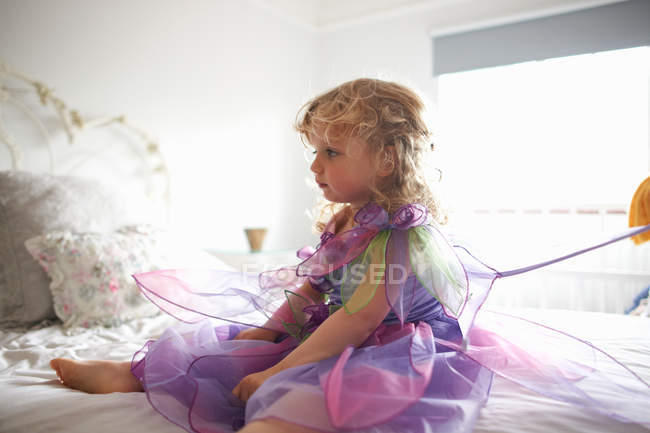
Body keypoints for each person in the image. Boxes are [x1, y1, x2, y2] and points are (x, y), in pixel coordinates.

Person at [50, 78, 650, 433]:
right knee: (218, 350)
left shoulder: (399, 236)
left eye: (332, 152)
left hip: (393, 342)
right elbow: (315, 291)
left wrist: (277, 369)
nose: (315, 166)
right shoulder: (348, 219)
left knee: (296, 395)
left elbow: (360, 318)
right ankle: (128, 376)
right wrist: (263, 335)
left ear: (387, 160)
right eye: (314, 151)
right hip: (334, 328)